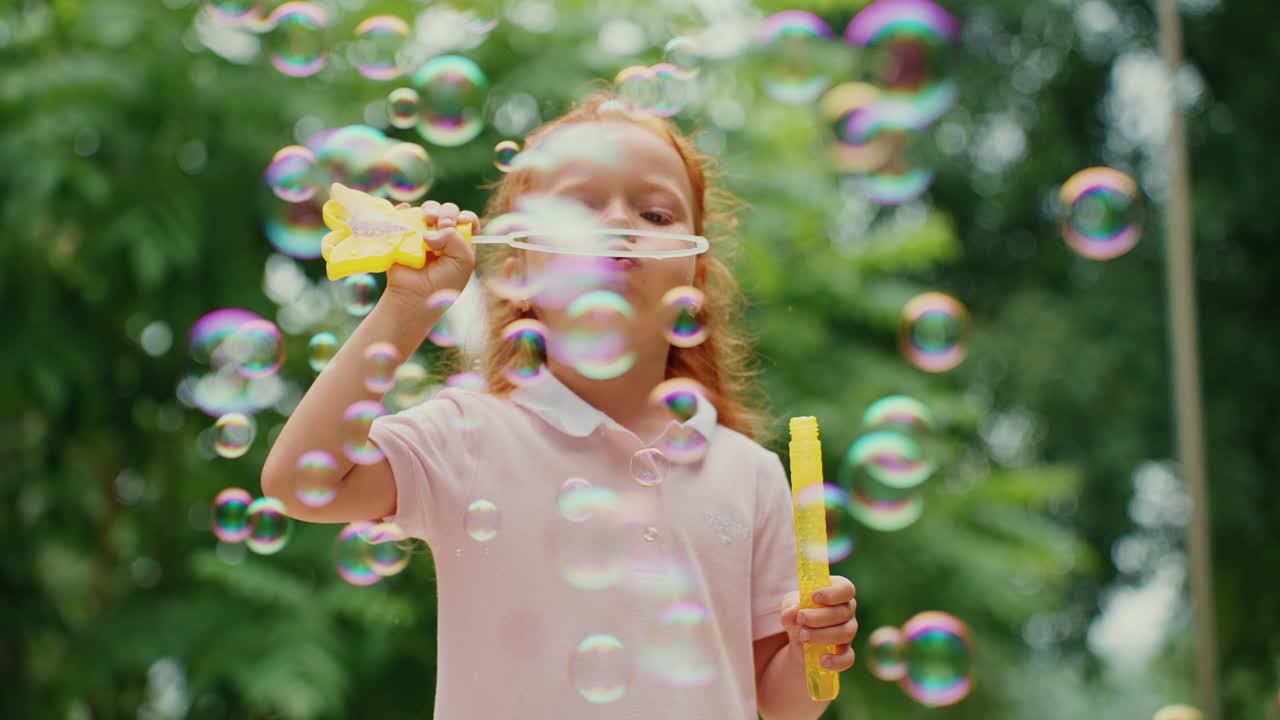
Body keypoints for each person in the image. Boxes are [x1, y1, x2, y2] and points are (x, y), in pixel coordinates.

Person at [262, 93, 858, 719]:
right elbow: (302, 484)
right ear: (520, 264)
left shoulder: (749, 472)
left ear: (695, 276)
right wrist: (410, 305)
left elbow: (781, 704)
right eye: (579, 207)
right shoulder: (468, 435)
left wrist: (809, 646)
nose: (618, 224)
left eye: (655, 213)